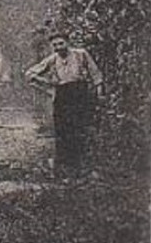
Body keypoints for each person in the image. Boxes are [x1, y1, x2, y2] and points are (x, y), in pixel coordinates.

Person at [25, 33, 104, 174]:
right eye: (55, 45)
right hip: (62, 95)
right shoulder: (52, 59)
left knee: (80, 127)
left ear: (68, 42)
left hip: (80, 93)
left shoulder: (81, 54)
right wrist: (46, 82)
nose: (58, 47)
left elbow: (95, 72)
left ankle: (82, 164)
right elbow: (30, 73)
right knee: (62, 128)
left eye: (61, 43)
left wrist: (99, 90)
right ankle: (64, 165)